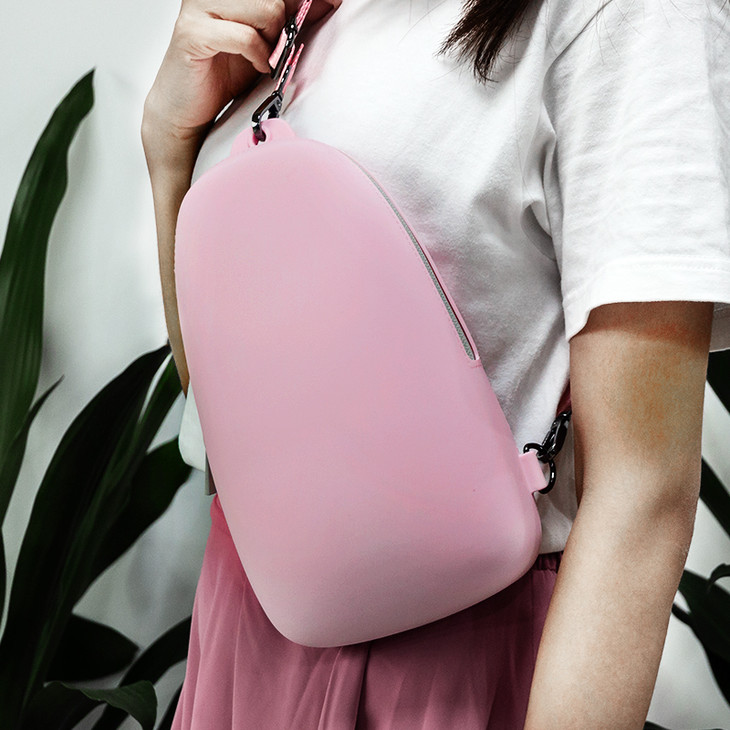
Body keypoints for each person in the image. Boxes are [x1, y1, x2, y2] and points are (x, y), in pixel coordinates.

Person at [141, 0, 730, 726]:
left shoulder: (637, 18)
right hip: (241, 630)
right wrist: (169, 147)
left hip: (443, 661)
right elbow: (230, 415)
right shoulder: (295, 16)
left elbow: (642, 495)